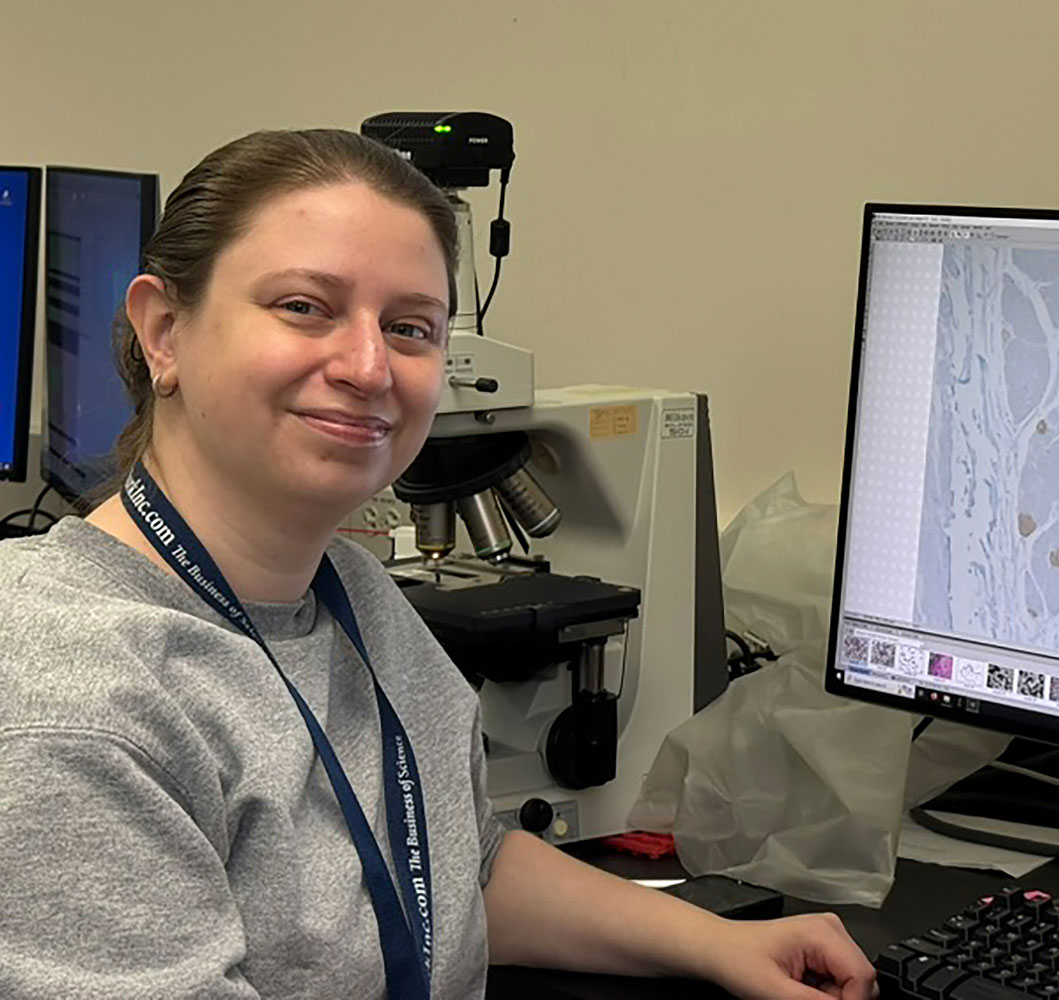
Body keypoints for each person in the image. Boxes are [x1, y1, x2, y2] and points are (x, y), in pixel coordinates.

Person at [0, 128, 878, 1000]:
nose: (369, 365)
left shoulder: (354, 595)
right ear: (163, 331)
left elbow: (465, 872)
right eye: (305, 306)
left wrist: (717, 943)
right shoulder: (74, 701)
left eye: (410, 326)